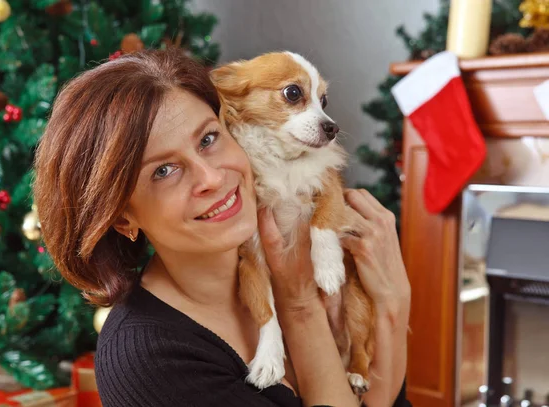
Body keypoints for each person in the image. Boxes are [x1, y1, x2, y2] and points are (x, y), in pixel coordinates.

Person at [33, 48, 411, 407]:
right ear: (121, 216)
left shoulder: (300, 263)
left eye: (209, 139)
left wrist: (388, 311)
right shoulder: (149, 360)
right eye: (164, 171)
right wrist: (308, 308)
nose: (211, 178)